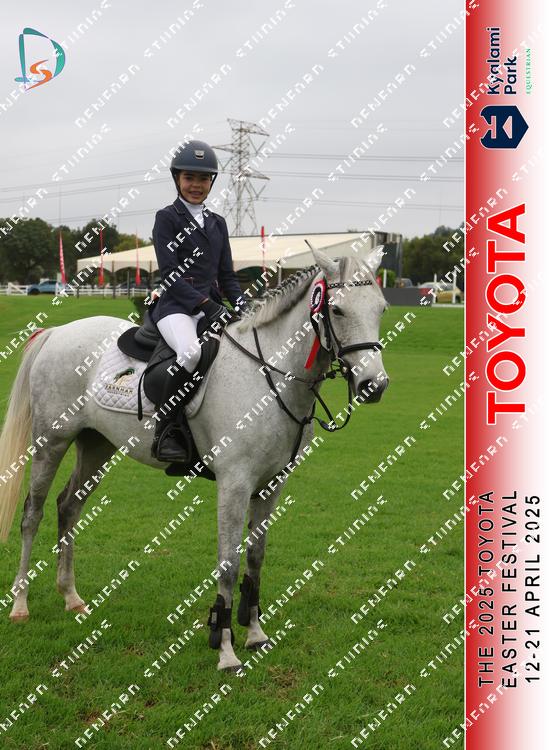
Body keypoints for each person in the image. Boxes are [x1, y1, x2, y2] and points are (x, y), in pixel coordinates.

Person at [149, 139, 246, 462]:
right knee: (190, 354)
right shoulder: (167, 218)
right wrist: (206, 306)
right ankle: (166, 429)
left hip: (211, 309)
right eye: (189, 177)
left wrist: (243, 306)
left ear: (211, 182)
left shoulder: (217, 223)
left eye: (203, 179)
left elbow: (227, 276)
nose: (196, 185)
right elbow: (170, 275)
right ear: (177, 179)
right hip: (176, 308)